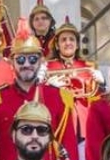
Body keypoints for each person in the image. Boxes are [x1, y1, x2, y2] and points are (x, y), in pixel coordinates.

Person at [0, 18, 78, 160]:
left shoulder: (59, 97)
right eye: (20, 59)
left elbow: (68, 146)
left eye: (32, 59)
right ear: (11, 62)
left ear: (41, 61)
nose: (26, 64)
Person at [44, 16, 104, 148]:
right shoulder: (46, 67)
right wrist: (49, 87)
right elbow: (38, 98)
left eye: (71, 39)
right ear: (57, 45)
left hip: (83, 124)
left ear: (77, 45)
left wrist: (102, 83)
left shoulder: (89, 66)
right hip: (57, 124)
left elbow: (98, 100)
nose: (68, 43)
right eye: (63, 40)